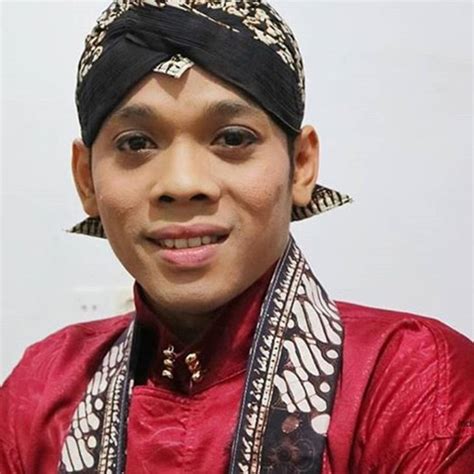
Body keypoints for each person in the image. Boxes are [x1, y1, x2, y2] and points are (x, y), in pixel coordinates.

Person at [1, 1, 472, 473]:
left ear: (301, 164)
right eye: (136, 143)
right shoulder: (41, 392)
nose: (182, 183)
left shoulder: (409, 382)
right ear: (86, 179)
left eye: (232, 138)